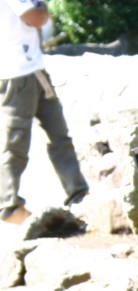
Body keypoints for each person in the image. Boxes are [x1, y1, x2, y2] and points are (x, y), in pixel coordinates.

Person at [0, 0, 88, 225]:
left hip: (34, 70)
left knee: (59, 134)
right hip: (16, 75)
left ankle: (78, 194)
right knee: (15, 141)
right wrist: (42, 7)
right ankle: (8, 206)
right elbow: (37, 17)